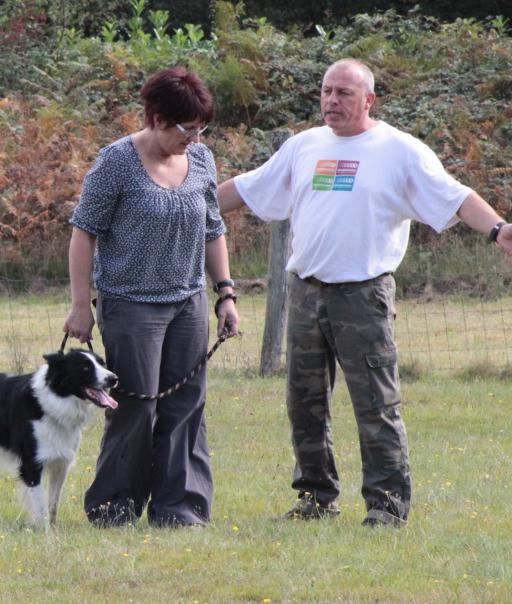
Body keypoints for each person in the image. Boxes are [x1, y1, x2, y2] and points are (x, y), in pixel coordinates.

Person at [217, 58, 512, 527]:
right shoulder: (304, 146)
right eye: (326, 91)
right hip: (306, 292)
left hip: (362, 296)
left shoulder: (398, 150)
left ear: (369, 100)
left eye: (344, 94)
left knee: (375, 403)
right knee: (304, 403)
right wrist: (187, 205)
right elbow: (249, 187)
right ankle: (315, 499)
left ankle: (387, 506)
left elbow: (454, 196)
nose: (331, 101)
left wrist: (497, 229)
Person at [63, 66, 240, 528]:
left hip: (187, 302)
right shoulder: (116, 161)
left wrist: (226, 294)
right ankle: (113, 506)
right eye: (187, 128)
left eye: (202, 129)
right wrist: (82, 306)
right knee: (135, 407)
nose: (195, 139)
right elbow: (84, 233)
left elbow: (212, 228)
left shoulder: (201, 160)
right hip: (131, 305)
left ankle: (180, 509)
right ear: (157, 117)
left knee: (186, 406)